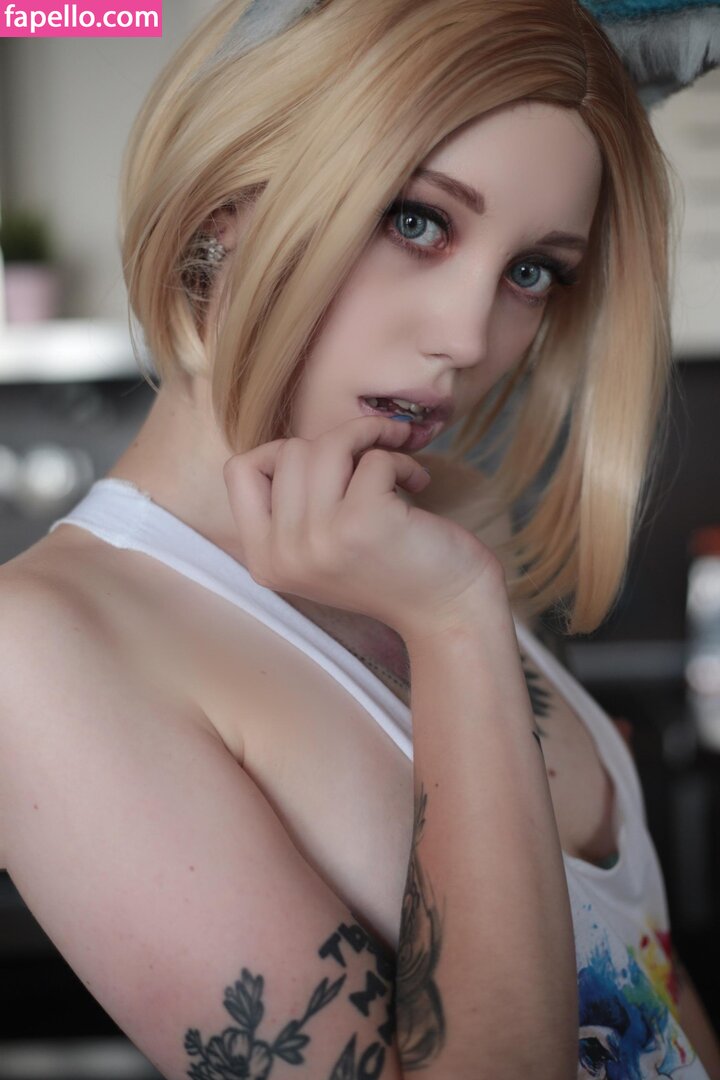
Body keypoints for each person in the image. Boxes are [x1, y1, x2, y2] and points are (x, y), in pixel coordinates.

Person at [0, 0, 718, 1076]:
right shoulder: (38, 648)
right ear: (225, 210)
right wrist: (454, 624)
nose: (467, 338)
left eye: (533, 271)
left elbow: (655, 992)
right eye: (418, 221)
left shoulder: (429, 526)